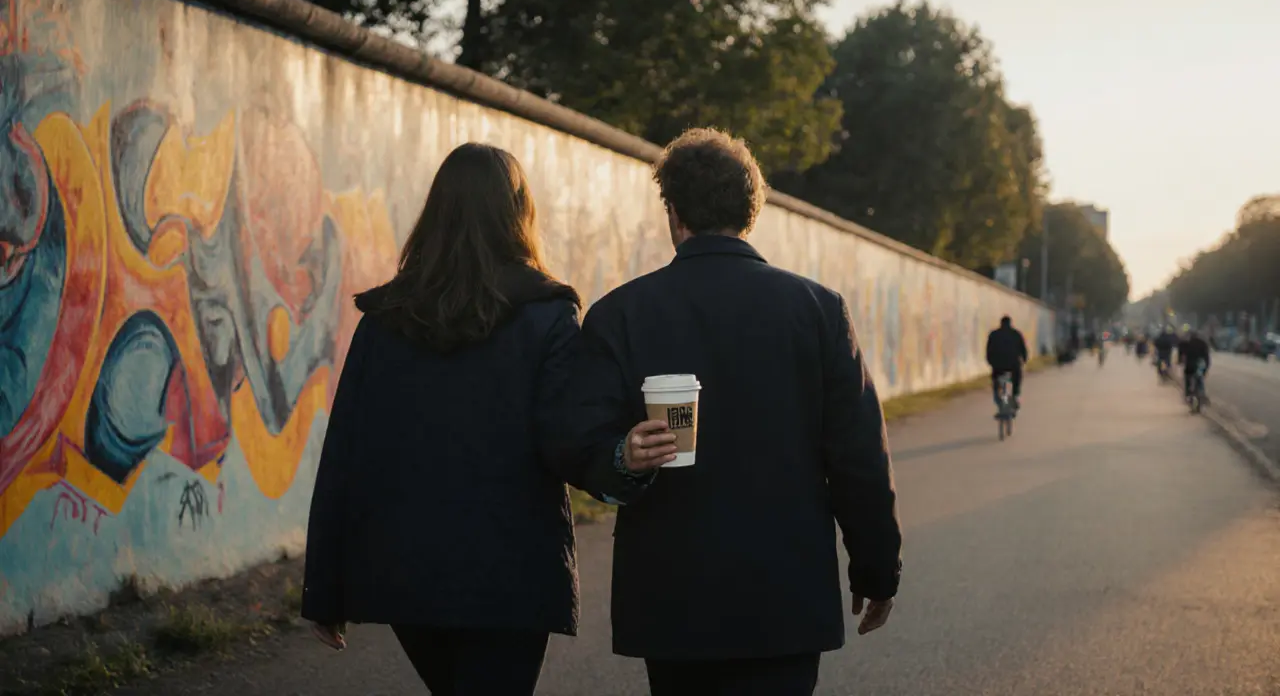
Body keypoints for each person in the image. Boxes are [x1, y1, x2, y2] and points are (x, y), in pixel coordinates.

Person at [300, 143, 670, 696]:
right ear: (518, 214)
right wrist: (621, 463)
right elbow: (566, 438)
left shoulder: (384, 320)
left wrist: (324, 591)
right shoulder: (546, 314)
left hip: (406, 572)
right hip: (511, 573)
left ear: (437, 212)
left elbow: (345, 455)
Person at [568, 128, 902, 695]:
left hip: (671, 599)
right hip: (785, 597)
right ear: (752, 212)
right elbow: (857, 457)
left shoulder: (618, 314)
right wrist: (876, 569)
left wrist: (622, 458)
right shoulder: (818, 311)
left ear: (673, 213)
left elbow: (577, 442)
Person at [986, 316, 1029, 409]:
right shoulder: (1016, 334)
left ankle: (997, 396)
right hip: (1013, 365)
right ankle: (1015, 395)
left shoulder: (994, 334)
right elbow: (1023, 349)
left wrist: (990, 362)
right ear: (1010, 323)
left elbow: (989, 350)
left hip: (998, 365)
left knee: (996, 380)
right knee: (1017, 378)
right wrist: (1024, 359)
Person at [1181, 329, 1212, 401]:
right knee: (1200, 379)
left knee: (1187, 378)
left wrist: (1182, 362)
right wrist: (1206, 367)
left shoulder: (1187, 344)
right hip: (1200, 365)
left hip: (1190, 366)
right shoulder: (1203, 344)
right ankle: (1202, 395)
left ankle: (1188, 394)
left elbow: (1183, 356)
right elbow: (1206, 357)